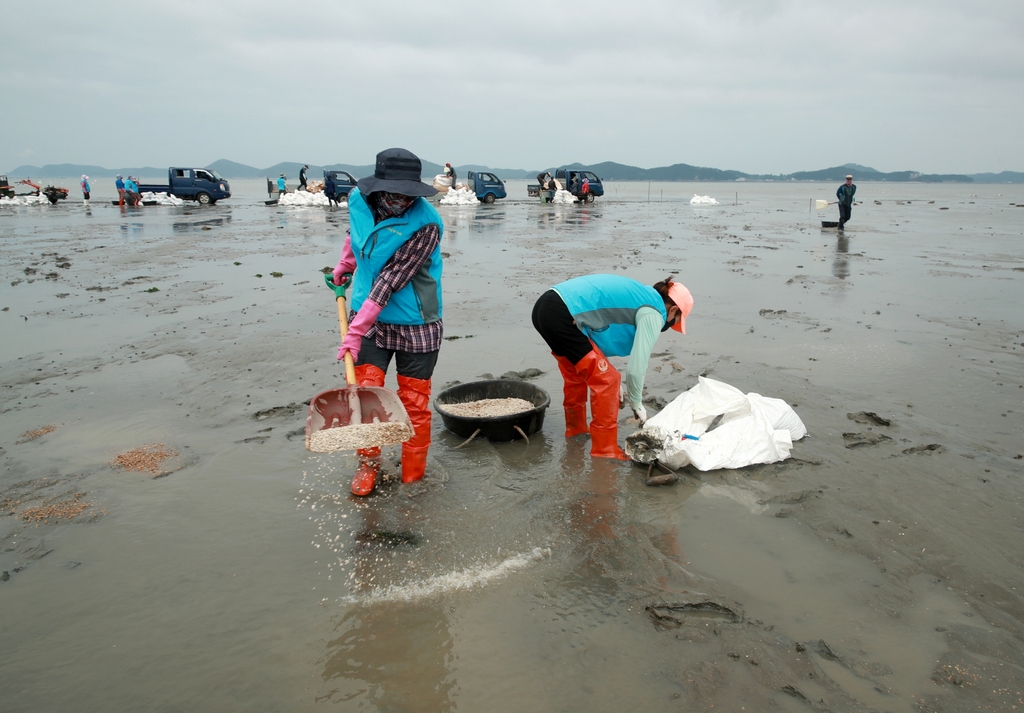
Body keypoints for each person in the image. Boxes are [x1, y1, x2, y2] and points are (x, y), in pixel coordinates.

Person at [331, 148, 443, 496]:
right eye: (394, 193)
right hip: (369, 317)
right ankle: (368, 465)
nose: (401, 201)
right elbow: (356, 235)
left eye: (409, 195)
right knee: (367, 398)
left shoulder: (427, 224)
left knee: (413, 404)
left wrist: (354, 331)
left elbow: (390, 281)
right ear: (377, 187)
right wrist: (345, 266)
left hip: (415, 322)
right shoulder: (356, 200)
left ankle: (413, 475)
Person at [532, 274, 693, 459]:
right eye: (677, 319)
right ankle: (605, 450)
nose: (671, 324)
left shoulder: (641, 296)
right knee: (608, 380)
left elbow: (593, 341)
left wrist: (607, 370)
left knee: (576, 373)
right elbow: (636, 368)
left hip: (546, 306)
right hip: (561, 313)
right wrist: (637, 403)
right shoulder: (655, 312)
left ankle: (575, 431)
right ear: (673, 310)